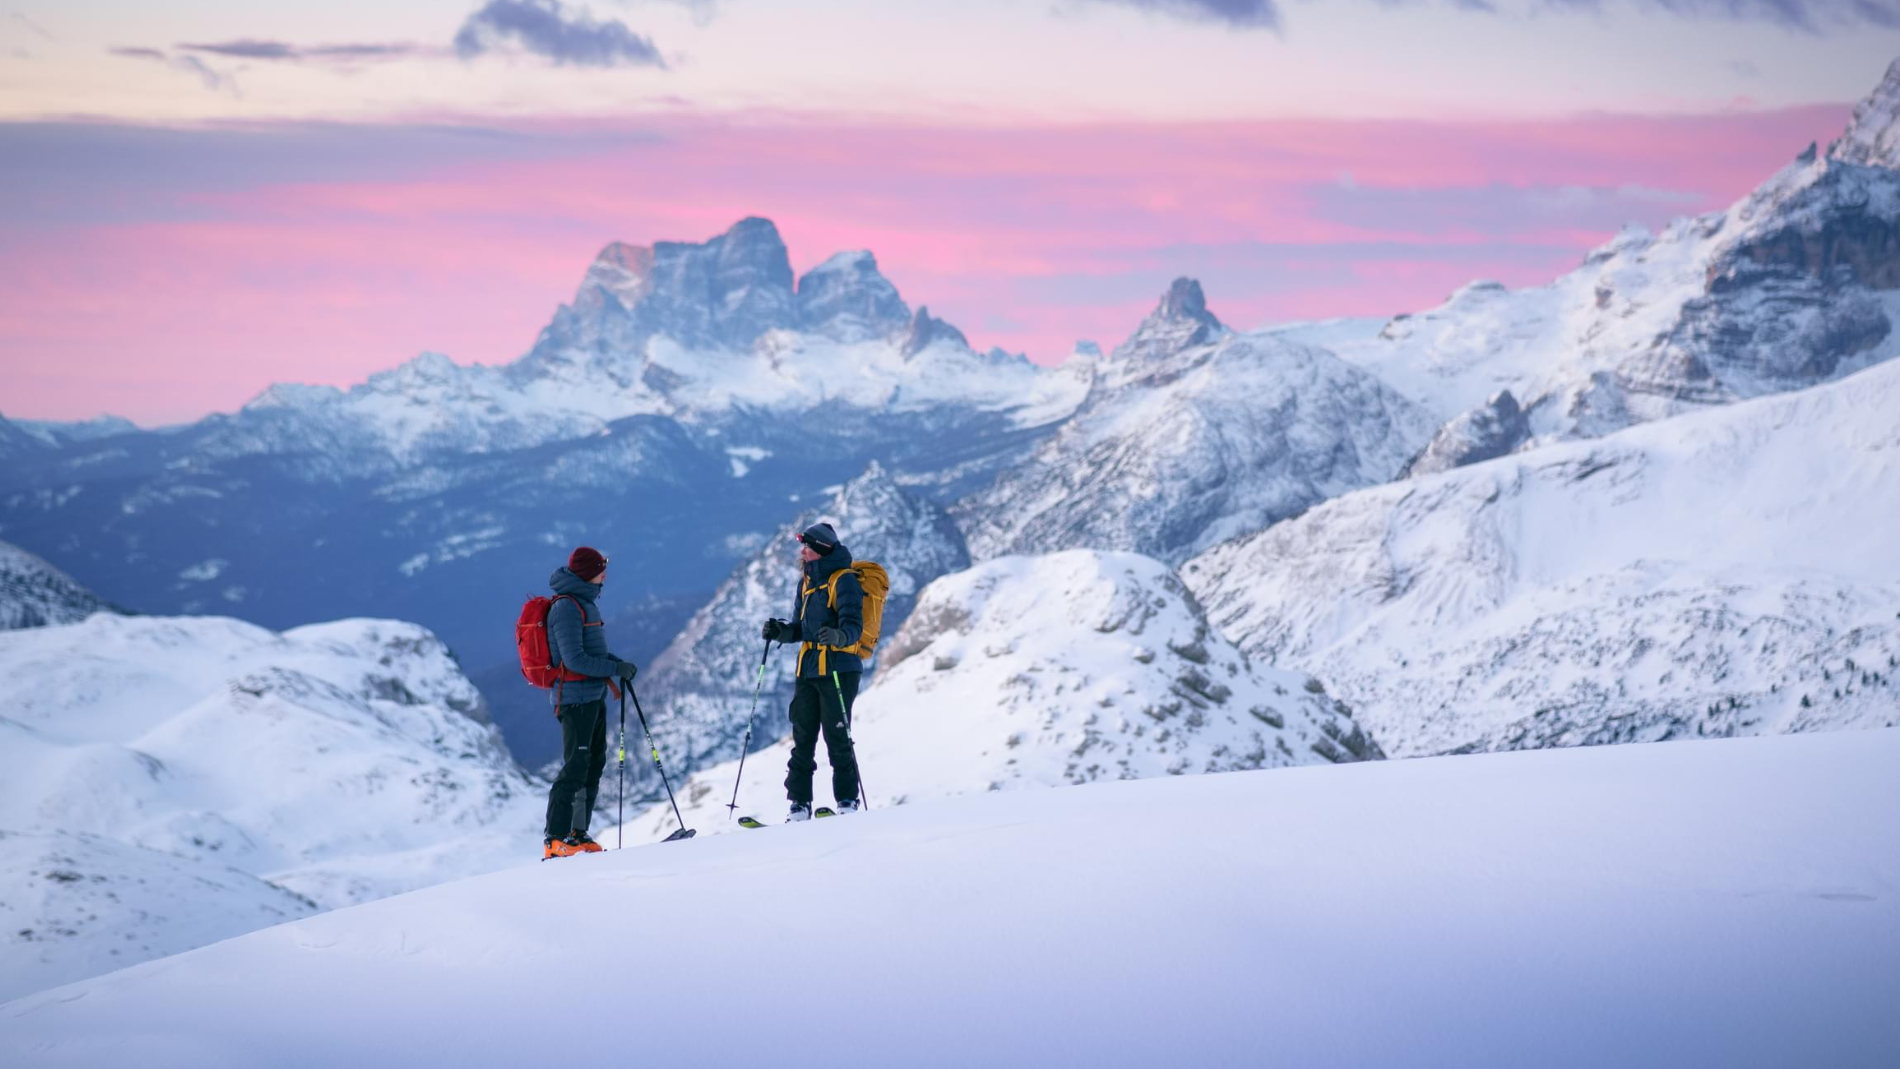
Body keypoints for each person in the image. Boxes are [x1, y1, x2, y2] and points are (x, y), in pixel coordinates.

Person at [761, 522, 863, 821]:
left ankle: (847, 801)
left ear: (820, 551)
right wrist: (780, 632)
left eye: (807, 547)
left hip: (838, 669)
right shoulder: (805, 582)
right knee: (802, 736)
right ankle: (798, 804)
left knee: (837, 736)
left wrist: (838, 637)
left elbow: (854, 627)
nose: (802, 552)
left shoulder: (844, 581)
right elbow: (800, 629)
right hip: (808, 670)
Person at [543, 546, 639, 859]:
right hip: (574, 699)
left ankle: (577, 833)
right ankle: (554, 838)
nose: (605, 575)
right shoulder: (567, 608)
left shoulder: (584, 603)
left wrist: (617, 663)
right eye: (601, 569)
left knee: (592, 765)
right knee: (574, 766)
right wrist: (614, 668)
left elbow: (592, 655)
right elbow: (574, 660)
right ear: (588, 573)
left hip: (593, 696)